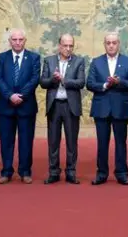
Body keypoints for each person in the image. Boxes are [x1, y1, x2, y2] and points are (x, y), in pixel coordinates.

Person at [87, 32, 128, 185]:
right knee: (102, 143)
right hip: (101, 108)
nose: (111, 45)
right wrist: (104, 85)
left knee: (121, 142)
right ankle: (101, 173)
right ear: (104, 44)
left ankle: (122, 173)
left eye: (114, 42)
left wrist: (118, 82)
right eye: (108, 43)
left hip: (120, 108)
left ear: (119, 44)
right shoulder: (96, 62)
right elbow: (89, 83)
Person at [0, 28, 41, 184]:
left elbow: (34, 79)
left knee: (26, 140)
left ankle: (25, 171)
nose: (18, 42)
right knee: (6, 141)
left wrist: (21, 95)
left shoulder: (34, 57)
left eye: (21, 39)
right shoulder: (2, 58)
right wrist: (10, 95)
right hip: (6, 106)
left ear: (25, 41)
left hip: (26, 106)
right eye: (14, 39)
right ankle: (6, 171)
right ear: (10, 41)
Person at [39, 33, 85, 184]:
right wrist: (53, 79)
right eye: (65, 45)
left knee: (72, 141)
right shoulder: (49, 61)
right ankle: (53, 172)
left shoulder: (79, 61)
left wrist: (64, 80)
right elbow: (43, 82)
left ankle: (71, 172)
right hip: (54, 105)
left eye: (71, 45)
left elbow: (81, 82)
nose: (68, 49)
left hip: (71, 105)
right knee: (53, 141)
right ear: (59, 46)